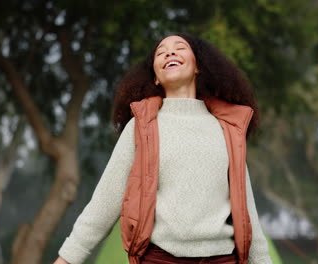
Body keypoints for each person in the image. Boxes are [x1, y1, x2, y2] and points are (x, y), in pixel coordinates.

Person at [54, 33, 272, 264]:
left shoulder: (227, 128)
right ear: (156, 78)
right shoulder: (141, 127)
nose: (170, 52)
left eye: (180, 47)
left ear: (198, 66)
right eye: (161, 52)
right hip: (160, 259)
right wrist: (67, 259)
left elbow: (246, 210)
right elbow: (105, 202)